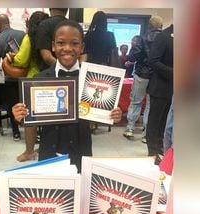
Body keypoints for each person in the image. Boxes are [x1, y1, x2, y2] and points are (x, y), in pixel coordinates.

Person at [12, 20, 122, 172]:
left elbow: (103, 109)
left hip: (81, 152)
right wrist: (20, 113)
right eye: (61, 42)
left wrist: (113, 113)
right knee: (51, 194)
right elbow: (30, 118)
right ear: (53, 46)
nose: (67, 48)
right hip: (49, 151)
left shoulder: (92, 79)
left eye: (75, 43)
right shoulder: (40, 79)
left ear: (82, 47)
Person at [5, 11, 50, 162]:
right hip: (49, 80)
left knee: (30, 119)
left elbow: (22, 60)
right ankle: (43, 147)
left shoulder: (29, 38)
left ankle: (29, 151)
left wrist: (11, 57)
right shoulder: (49, 36)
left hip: (32, 82)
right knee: (48, 118)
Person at [123, 16, 164, 143]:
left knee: (136, 101)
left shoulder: (142, 38)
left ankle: (130, 128)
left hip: (141, 74)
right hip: (157, 76)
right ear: (161, 26)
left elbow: (132, 56)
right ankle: (146, 134)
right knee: (150, 105)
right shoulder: (165, 39)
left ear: (149, 26)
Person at [0, 14, 26, 141]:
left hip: (10, 78)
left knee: (13, 105)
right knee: (27, 103)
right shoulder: (22, 34)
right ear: (8, 22)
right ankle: (32, 131)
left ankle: (16, 132)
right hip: (25, 77)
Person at [146, 24, 173, 157]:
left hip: (175, 88)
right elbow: (153, 61)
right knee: (155, 121)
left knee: (167, 123)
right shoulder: (164, 36)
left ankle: (162, 149)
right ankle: (153, 151)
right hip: (161, 87)